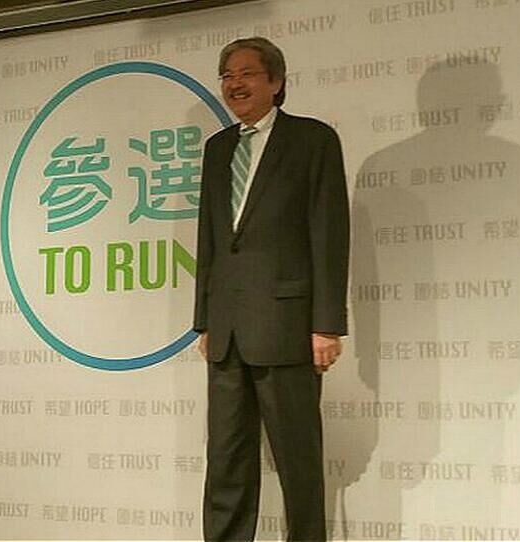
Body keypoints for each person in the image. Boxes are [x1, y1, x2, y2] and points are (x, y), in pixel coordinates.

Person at [193, 37, 350, 542]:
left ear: (276, 81)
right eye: (227, 75)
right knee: (226, 462)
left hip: (288, 327)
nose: (234, 84)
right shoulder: (218, 149)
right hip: (228, 332)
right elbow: (210, 238)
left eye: (246, 74)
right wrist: (205, 320)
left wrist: (326, 325)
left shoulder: (312, 140)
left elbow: (329, 233)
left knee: (298, 462)